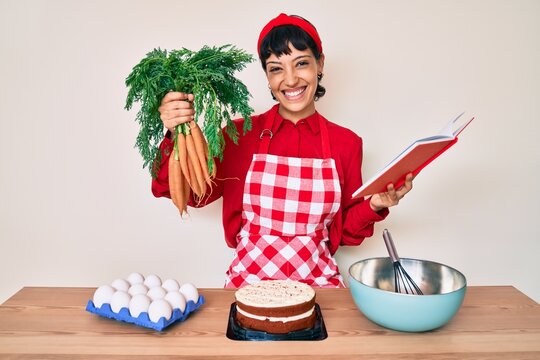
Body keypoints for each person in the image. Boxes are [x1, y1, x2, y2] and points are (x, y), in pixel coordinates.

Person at [152, 13, 413, 288]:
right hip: (248, 287)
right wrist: (175, 131)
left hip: (320, 288)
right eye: (276, 68)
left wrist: (376, 204)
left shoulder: (346, 143)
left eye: (301, 63)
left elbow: (346, 234)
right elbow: (192, 194)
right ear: (267, 75)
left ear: (320, 64)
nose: (290, 80)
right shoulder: (239, 135)